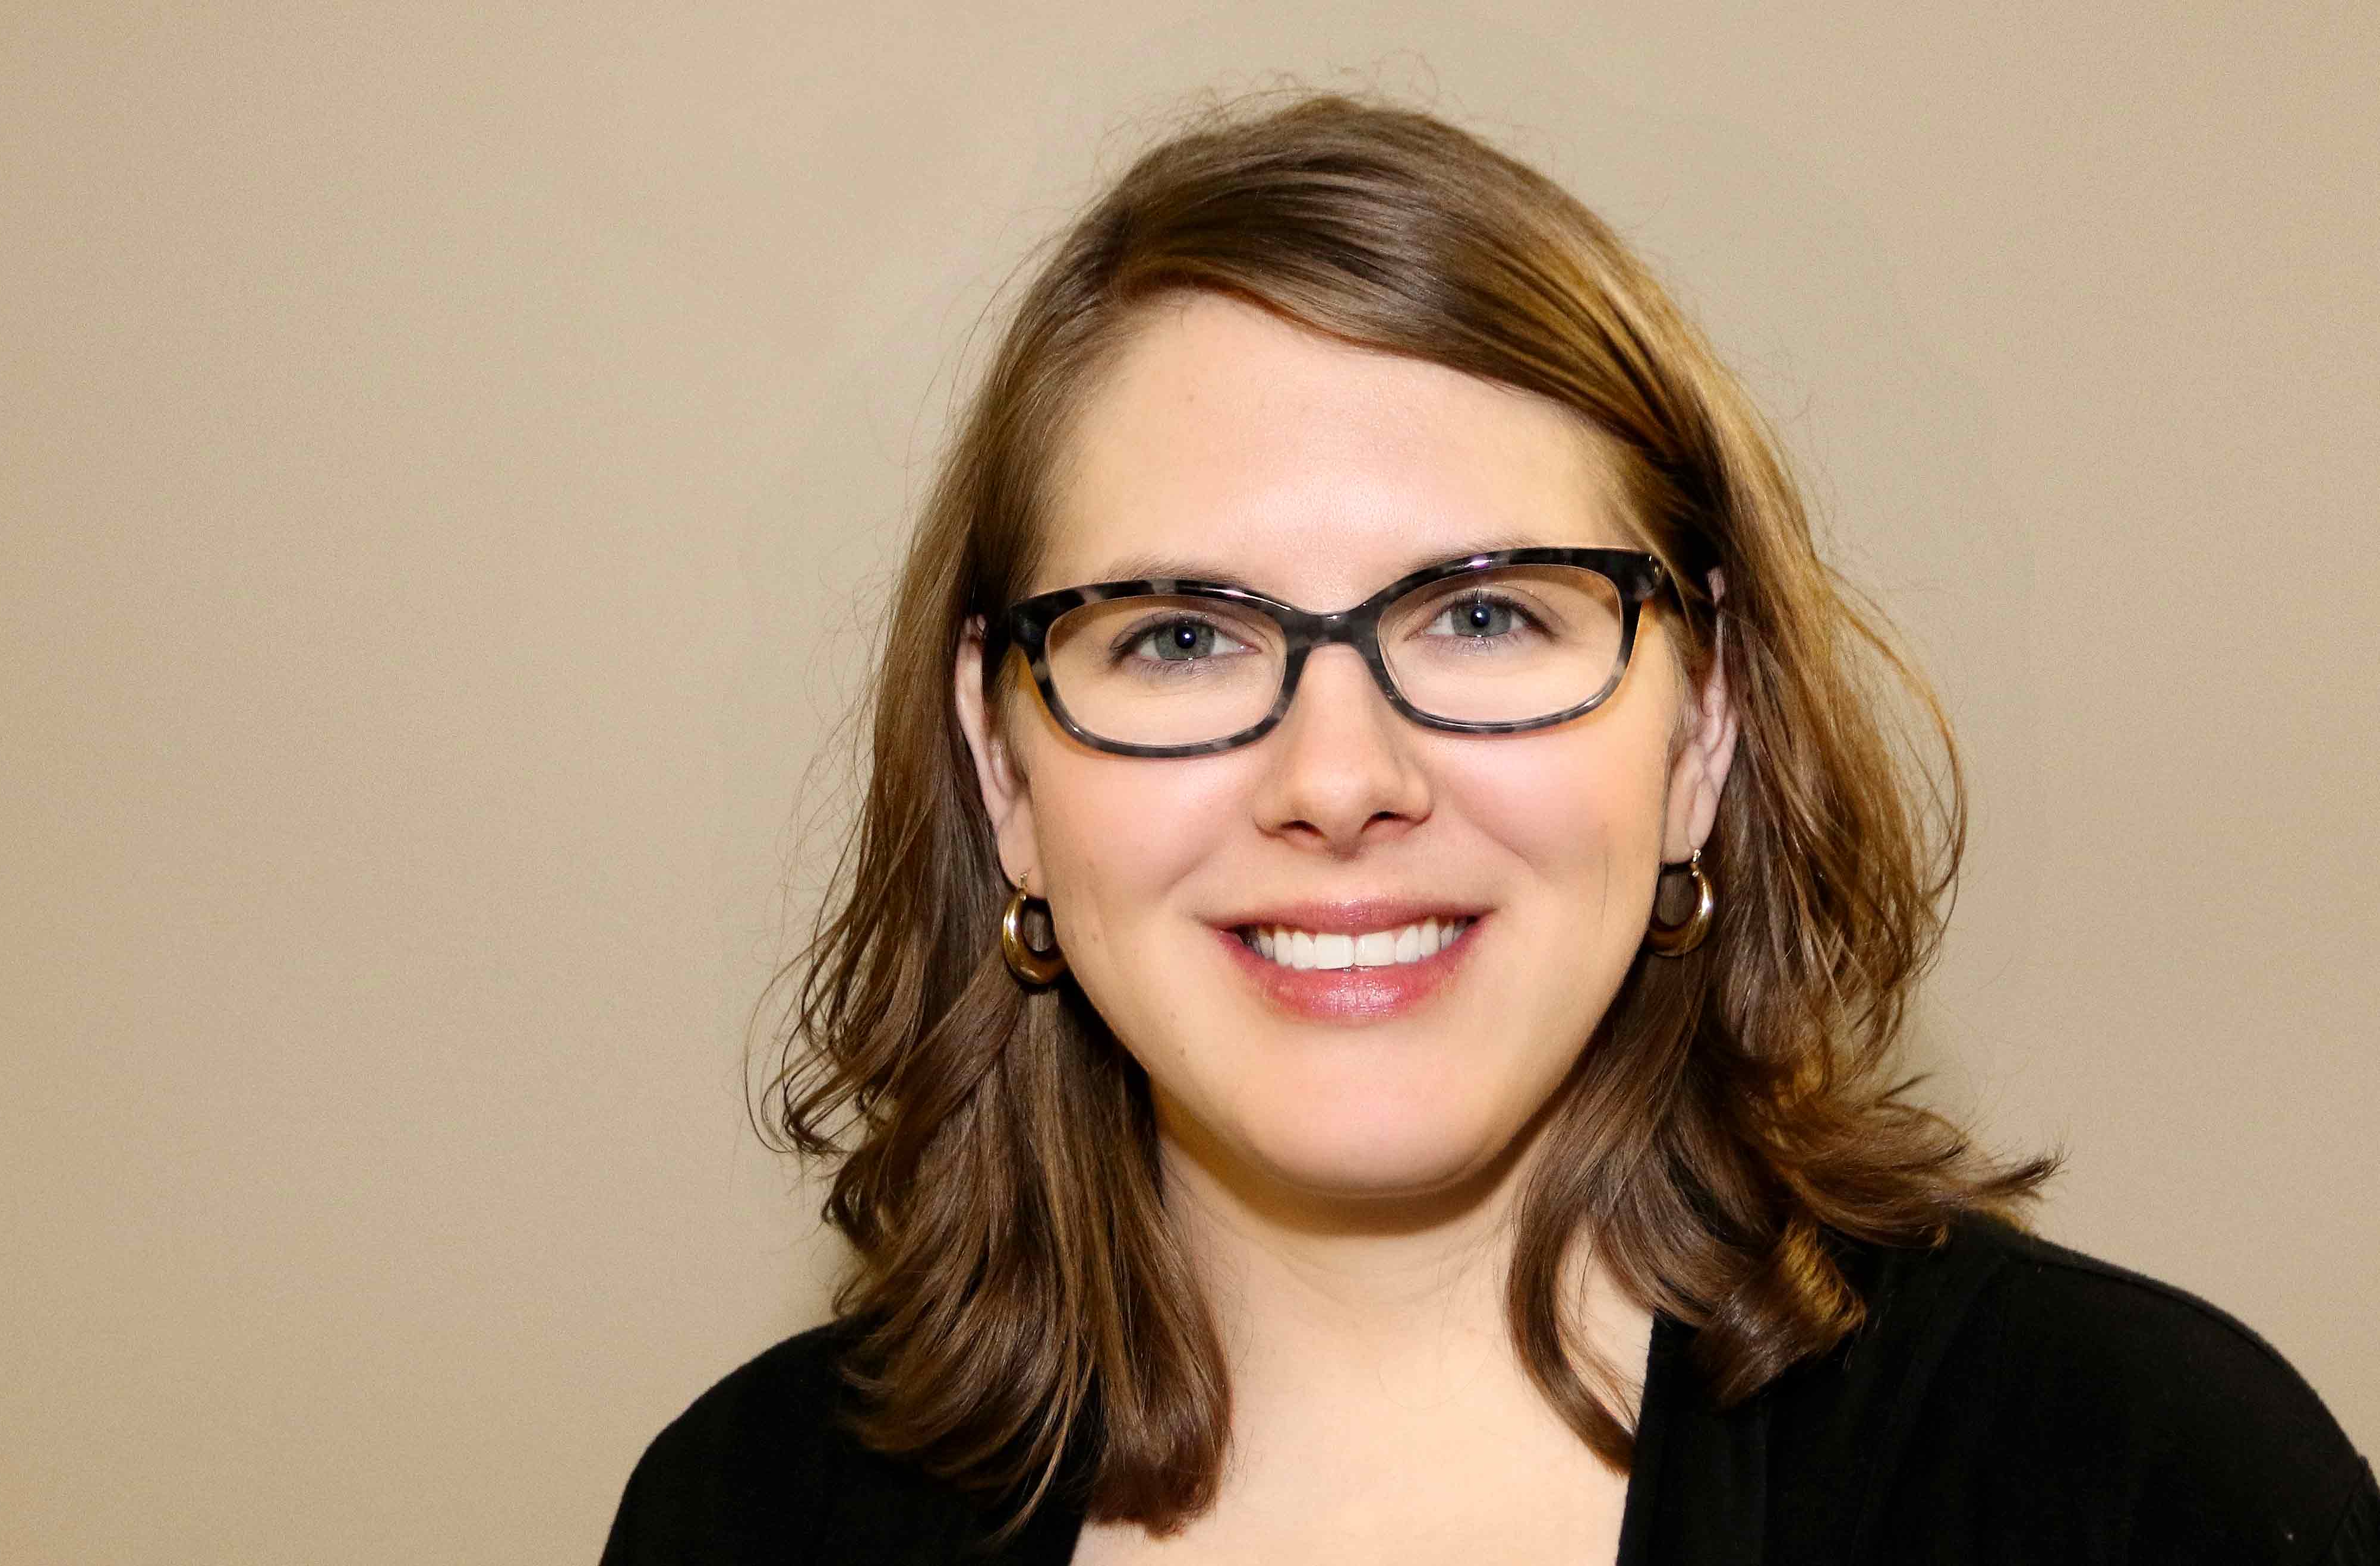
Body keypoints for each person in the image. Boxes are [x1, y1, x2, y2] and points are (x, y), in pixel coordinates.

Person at [600, 94, 2376, 1565]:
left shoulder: (2129, 1486)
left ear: (1702, 730)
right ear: (1006, 774)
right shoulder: (743, 1515)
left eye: (1482, 614)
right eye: (1182, 637)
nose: (1338, 777)